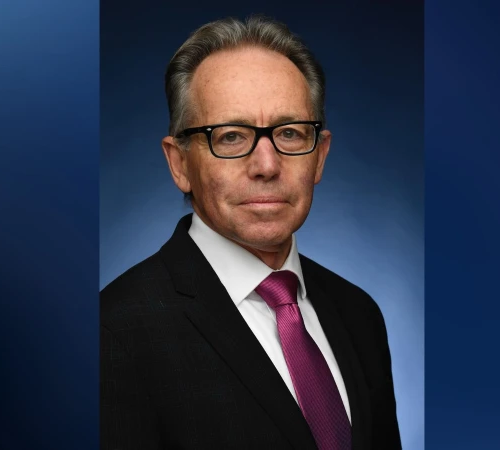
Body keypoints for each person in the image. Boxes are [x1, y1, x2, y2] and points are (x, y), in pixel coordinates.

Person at [100, 15, 401, 450]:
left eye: (290, 133)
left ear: (319, 156)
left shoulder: (359, 314)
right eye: (231, 137)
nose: (266, 165)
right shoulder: (113, 331)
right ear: (179, 164)